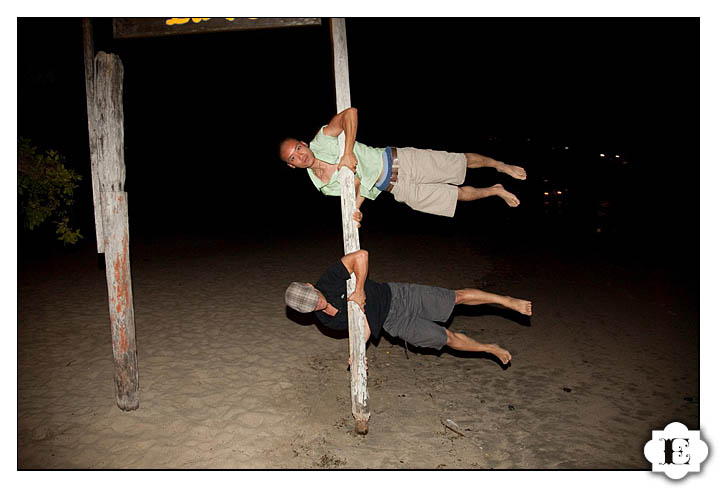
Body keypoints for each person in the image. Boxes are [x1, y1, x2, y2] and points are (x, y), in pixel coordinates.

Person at [279, 107, 527, 225]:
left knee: (460, 161)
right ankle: (495, 190)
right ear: (292, 166)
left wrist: (347, 153)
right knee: (455, 197)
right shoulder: (320, 186)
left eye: (298, 149)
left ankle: (500, 165)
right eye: (293, 158)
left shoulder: (322, 140)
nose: (299, 156)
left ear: (303, 143)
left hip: (402, 161)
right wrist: (356, 209)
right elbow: (358, 184)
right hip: (395, 189)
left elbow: (350, 114)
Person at [284, 249, 532, 365]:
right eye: (312, 306)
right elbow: (365, 329)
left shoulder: (327, 281)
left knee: (456, 298)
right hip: (394, 324)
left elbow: (361, 256)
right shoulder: (325, 321)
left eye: (314, 296)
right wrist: (358, 352)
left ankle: (506, 301)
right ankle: (490, 349)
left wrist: (358, 291)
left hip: (400, 296)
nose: (319, 302)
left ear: (311, 285)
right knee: (446, 339)